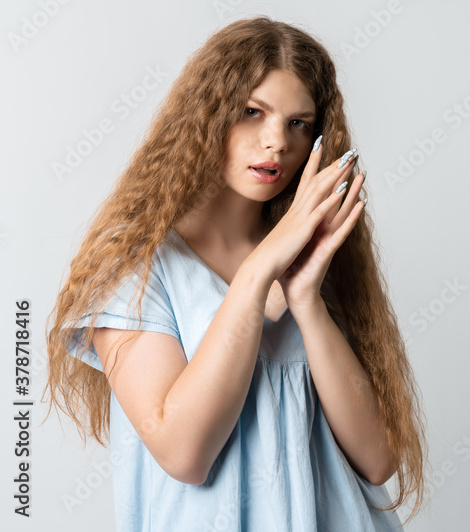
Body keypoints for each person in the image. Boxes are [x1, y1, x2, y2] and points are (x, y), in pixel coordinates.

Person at [43, 16, 427, 531]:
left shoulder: (315, 260)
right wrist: (260, 269)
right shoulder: (133, 266)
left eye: (299, 123)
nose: (277, 143)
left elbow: (378, 461)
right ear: (206, 115)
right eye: (252, 112)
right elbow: (184, 452)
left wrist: (308, 301)